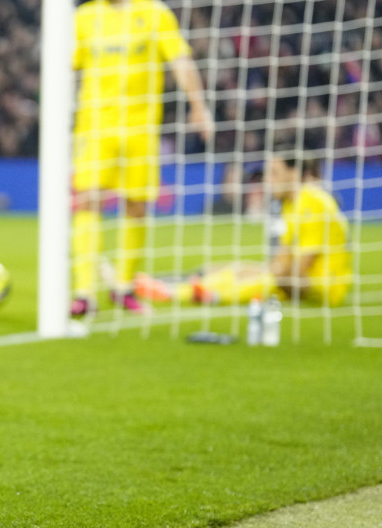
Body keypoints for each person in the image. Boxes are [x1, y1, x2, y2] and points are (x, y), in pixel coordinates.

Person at [70, 0, 215, 317]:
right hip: (94, 127)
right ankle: (84, 293)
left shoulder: (154, 13)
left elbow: (179, 59)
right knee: (88, 200)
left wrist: (198, 105)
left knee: (135, 205)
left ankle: (123, 287)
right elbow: (66, 66)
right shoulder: (84, 17)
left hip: (140, 129)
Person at [135, 149, 352, 307]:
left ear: (294, 173)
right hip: (301, 279)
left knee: (271, 277)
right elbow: (283, 255)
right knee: (243, 269)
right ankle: (179, 289)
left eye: (274, 174)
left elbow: (302, 265)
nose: (267, 181)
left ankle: (198, 293)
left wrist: (270, 272)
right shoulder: (290, 204)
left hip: (325, 288)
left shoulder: (312, 201)